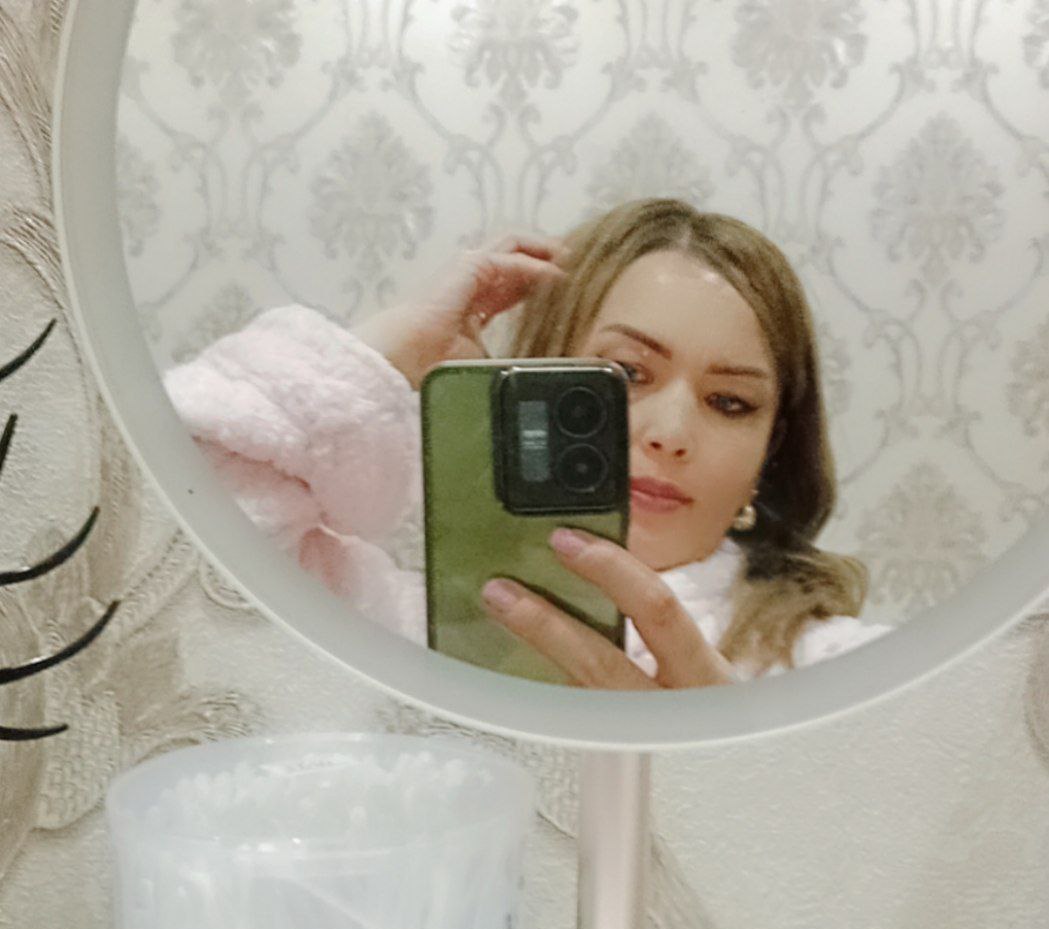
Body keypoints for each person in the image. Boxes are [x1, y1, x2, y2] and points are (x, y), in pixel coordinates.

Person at [164, 198, 889, 688]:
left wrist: (722, 764)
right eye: (622, 375)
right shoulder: (387, 626)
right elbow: (162, 543)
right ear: (538, 383)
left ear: (769, 452)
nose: (670, 435)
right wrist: (388, 347)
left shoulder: (841, 676)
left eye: (729, 402)